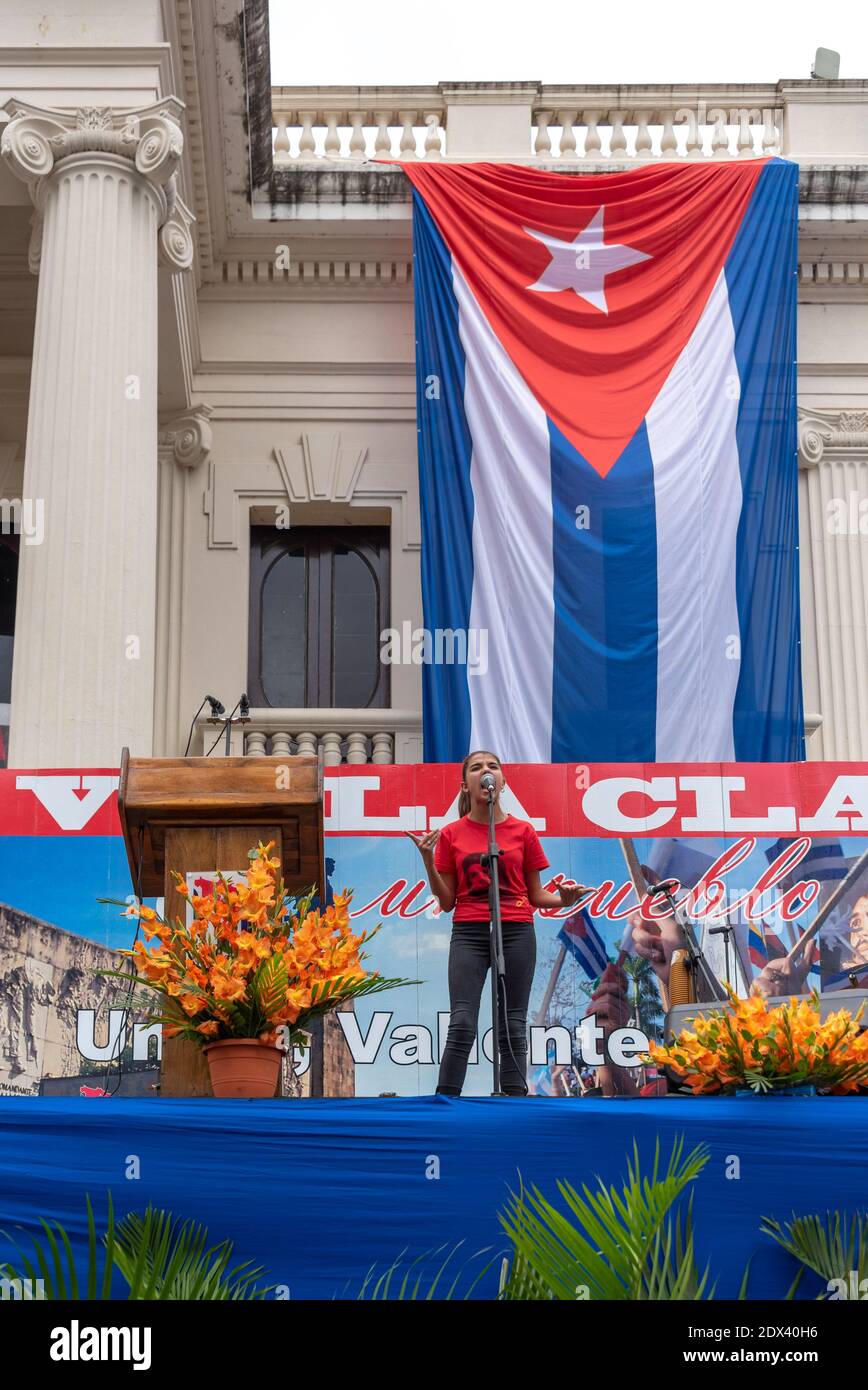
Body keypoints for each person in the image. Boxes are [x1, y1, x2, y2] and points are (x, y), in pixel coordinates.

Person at [406, 749, 584, 1096]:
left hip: (517, 929)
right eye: (476, 768)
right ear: (465, 785)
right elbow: (445, 902)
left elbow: (536, 896)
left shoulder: (523, 831)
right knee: (461, 1022)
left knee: (513, 1025)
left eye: (492, 767)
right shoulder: (452, 834)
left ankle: (515, 1105)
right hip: (469, 931)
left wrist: (563, 899)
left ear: (502, 782)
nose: (485, 771)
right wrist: (428, 859)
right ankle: (446, 1103)